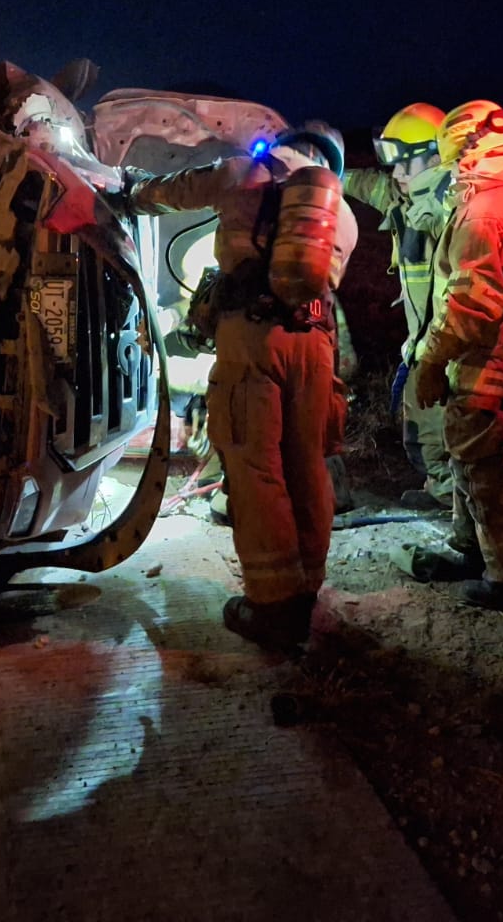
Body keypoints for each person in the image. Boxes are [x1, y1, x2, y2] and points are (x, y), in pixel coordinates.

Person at [118, 121, 359, 650]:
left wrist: (132, 190)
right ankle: (305, 589)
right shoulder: (340, 214)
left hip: (253, 339)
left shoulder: (246, 171)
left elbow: (173, 191)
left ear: (284, 144)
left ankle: (271, 605)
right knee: (306, 463)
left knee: (254, 467)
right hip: (315, 346)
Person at [411, 101, 503, 612]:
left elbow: (471, 306)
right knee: (475, 465)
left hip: (487, 366)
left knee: (484, 471)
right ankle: (471, 549)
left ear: (469, 146)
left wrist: (430, 361)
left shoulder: (484, 213)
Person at [343, 104, 457, 512]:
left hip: (448, 342)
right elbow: (367, 184)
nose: (395, 173)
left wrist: (436, 351)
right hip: (423, 341)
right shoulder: (405, 199)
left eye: (403, 162)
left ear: (435, 157)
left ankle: (457, 506)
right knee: (420, 431)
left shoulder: (452, 207)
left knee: (443, 431)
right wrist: (322, 172)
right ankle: (443, 491)